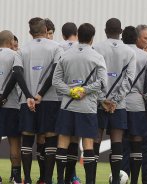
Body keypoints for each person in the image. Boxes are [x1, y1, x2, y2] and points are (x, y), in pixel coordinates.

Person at [4, 17, 64, 184]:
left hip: (26, 101)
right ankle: (46, 179)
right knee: (51, 137)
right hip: (51, 99)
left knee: (28, 139)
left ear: (30, 33)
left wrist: (29, 96)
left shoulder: (23, 50)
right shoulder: (57, 47)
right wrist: (41, 94)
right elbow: (55, 72)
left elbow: (17, 73)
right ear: (46, 30)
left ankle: (28, 179)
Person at [53, 22, 107, 184]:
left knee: (63, 142)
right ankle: (90, 181)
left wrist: (70, 91)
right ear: (91, 38)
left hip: (67, 105)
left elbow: (56, 81)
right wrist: (85, 90)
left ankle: (62, 180)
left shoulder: (66, 54)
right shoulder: (97, 57)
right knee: (88, 144)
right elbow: (103, 82)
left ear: (78, 35)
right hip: (87, 107)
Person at [93, 18, 136, 184]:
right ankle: (116, 180)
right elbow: (129, 80)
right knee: (117, 141)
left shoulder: (97, 48)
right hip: (118, 105)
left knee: (95, 140)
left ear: (105, 30)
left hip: (98, 104)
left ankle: (91, 179)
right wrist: (115, 101)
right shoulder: (129, 52)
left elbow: (94, 77)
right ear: (121, 31)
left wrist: (103, 99)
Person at [122, 26, 147, 183]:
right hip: (132, 104)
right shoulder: (127, 54)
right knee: (126, 145)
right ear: (137, 39)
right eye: (146, 38)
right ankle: (124, 177)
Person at [59, 22, 81, 184]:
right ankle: (71, 176)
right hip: (81, 100)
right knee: (75, 139)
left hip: (59, 99)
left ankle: (51, 178)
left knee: (59, 139)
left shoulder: (57, 47)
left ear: (62, 34)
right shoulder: (85, 49)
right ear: (77, 34)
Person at [0, 30, 22, 184]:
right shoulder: (15, 55)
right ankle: (15, 176)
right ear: (10, 42)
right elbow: (18, 77)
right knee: (14, 142)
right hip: (11, 104)